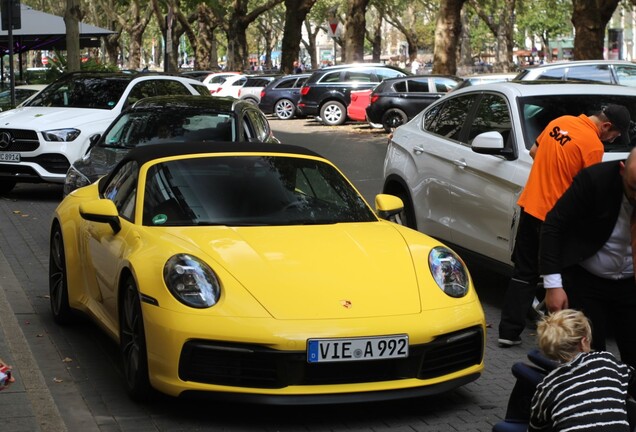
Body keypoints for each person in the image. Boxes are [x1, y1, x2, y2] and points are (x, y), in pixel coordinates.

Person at [497, 104, 631, 347]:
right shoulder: (593, 145)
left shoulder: (561, 121)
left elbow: (535, 152)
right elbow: (589, 188)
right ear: (606, 126)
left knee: (523, 273)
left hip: (530, 205)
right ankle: (558, 340)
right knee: (560, 278)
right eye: (615, 135)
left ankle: (508, 332)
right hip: (557, 221)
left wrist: (552, 170)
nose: (613, 139)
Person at [539, 146, 636, 369]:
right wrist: (553, 285)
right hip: (588, 281)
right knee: (590, 356)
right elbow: (554, 225)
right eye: (633, 189)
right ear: (622, 170)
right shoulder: (594, 179)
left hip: (631, 284)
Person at [529, 309, 633, 432]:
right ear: (584, 342)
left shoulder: (548, 386)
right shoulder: (607, 361)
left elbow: (535, 426)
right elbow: (632, 376)